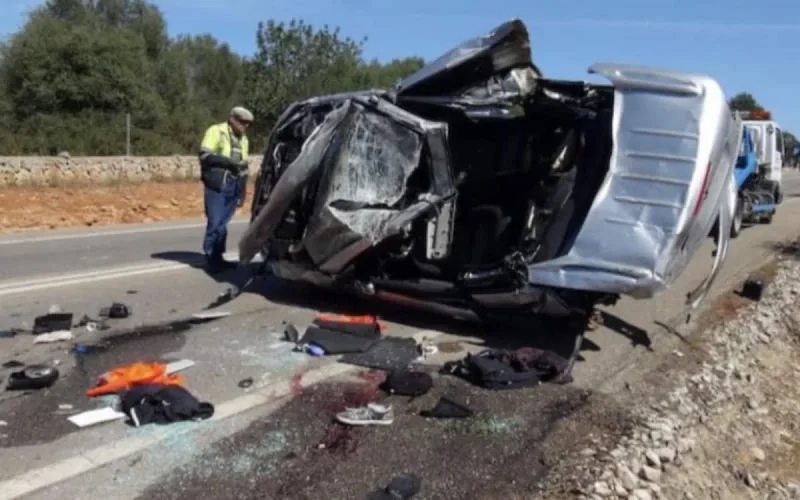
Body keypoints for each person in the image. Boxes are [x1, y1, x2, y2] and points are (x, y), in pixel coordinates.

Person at [198, 106, 253, 273]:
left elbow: (243, 167)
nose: (246, 127)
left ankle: (218, 257)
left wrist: (242, 191)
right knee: (215, 222)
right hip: (218, 183)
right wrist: (228, 162)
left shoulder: (244, 140)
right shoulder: (217, 131)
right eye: (243, 122)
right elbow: (204, 156)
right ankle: (210, 257)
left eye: (248, 124)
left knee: (223, 224)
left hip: (234, 184)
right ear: (233, 120)